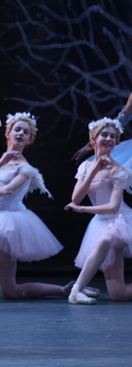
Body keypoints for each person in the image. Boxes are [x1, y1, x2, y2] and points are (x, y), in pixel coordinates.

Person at [0, 113, 91, 302]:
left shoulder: (26, 168)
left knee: (10, 291)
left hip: (14, 222)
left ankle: (62, 290)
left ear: (29, 140)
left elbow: (9, 189)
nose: (20, 133)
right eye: (17, 129)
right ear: (8, 133)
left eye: (25, 132)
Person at [65, 117, 132, 304]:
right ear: (94, 138)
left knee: (105, 240)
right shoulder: (85, 166)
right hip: (100, 223)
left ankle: (75, 291)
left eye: (113, 136)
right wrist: (93, 171)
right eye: (104, 135)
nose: (109, 139)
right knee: (119, 293)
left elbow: (113, 207)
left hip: (121, 221)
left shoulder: (118, 171)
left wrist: (83, 209)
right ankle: (79, 289)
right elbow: (75, 198)